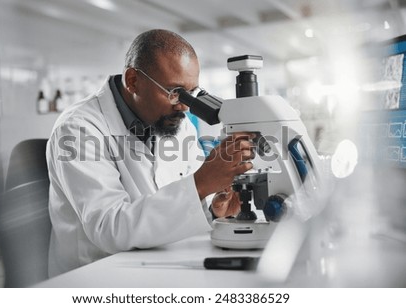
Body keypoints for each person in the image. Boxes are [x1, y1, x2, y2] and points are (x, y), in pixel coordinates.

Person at [46, 29, 254, 276]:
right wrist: (201, 184)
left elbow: (184, 201)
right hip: (97, 276)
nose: (185, 106)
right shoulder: (78, 129)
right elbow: (108, 227)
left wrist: (213, 208)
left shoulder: (177, 122)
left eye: (191, 92)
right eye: (175, 92)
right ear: (133, 80)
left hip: (159, 265)